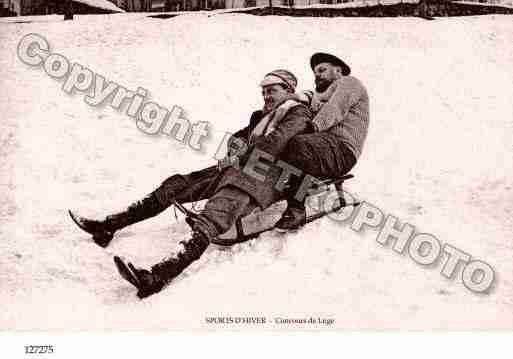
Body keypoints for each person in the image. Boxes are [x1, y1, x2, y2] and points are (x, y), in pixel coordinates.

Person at [70, 69, 313, 298]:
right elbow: (238, 138)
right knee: (177, 185)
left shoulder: (297, 112)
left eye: (272, 90)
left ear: (289, 89)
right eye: (264, 92)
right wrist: (237, 149)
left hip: (267, 176)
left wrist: (241, 155)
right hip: (238, 166)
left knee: (219, 208)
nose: (266, 96)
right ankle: (110, 225)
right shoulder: (262, 116)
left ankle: (159, 275)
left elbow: (277, 142)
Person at [274, 52, 370, 230]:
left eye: (322, 70)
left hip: (343, 149)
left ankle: (296, 210)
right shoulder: (323, 96)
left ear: (338, 70)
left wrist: (313, 127)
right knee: (285, 142)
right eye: (315, 72)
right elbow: (311, 103)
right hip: (325, 147)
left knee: (300, 144)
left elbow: (336, 108)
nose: (317, 75)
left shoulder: (349, 82)